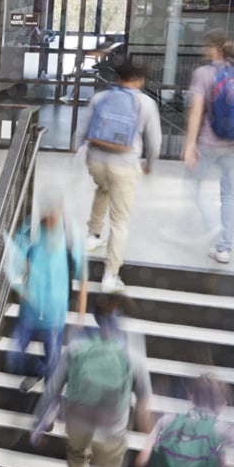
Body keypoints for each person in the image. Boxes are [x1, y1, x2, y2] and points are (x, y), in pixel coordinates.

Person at [32, 294, 153, 467]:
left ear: (96, 320)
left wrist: (40, 420)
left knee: (76, 456)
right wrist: (150, 436)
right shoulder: (131, 351)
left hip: (77, 420)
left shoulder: (77, 344)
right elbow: (145, 397)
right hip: (112, 429)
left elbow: (53, 386)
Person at [76, 60, 162, 293]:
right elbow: (154, 142)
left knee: (103, 188)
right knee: (120, 221)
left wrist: (81, 152)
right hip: (124, 165)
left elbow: (82, 129)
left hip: (97, 162)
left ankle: (92, 235)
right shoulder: (146, 103)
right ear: (141, 80)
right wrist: (150, 164)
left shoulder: (100, 98)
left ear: (118, 77)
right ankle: (110, 276)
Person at [183, 30, 234, 265]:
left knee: (193, 186)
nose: (205, 50)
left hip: (210, 141)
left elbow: (196, 110)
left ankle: (214, 226)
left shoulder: (203, 74)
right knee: (230, 194)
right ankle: (224, 248)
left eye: (207, 46)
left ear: (214, 48)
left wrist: (189, 145)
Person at [4, 190, 88, 393]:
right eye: (46, 214)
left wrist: (81, 312)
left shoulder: (70, 233)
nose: (49, 219)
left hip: (55, 314)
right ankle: (37, 369)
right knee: (13, 358)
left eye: (54, 214)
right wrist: (21, 281)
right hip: (29, 312)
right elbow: (15, 262)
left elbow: (82, 275)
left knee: (53, 366)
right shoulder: (30, 230)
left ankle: (48, 411)